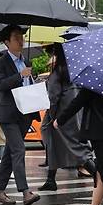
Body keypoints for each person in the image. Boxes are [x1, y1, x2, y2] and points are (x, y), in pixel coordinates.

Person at [0, 25, 40, 205]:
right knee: (19, 149)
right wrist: (20, 75)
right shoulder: (0, 62)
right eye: (16, 37)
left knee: (10, 153)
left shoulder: (25, 60)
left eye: (21, 36)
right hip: (8, 113)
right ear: (6, 42)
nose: (21, 40)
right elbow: (0, 84)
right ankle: (25, 191)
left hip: (25, 112)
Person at [39, 43, 95, 191]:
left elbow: (53, 97)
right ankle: (50, 179)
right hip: (75, 114)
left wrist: (52, 116)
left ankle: (98, 174)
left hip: (61, 116)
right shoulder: (75, 70)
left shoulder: (58, 72)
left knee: (75, 149)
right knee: (56, 144)